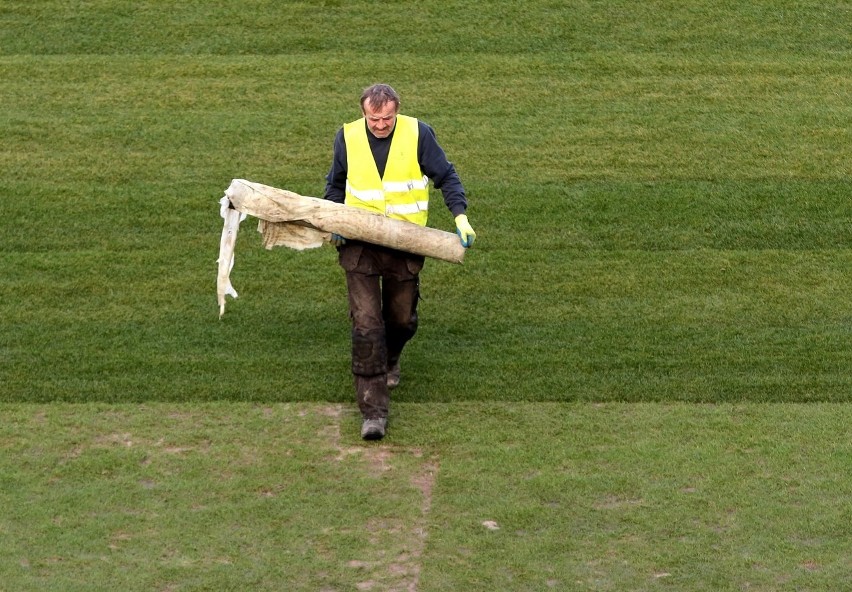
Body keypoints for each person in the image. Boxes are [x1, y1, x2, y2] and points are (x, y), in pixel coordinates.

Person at [324, 83, 476, 440]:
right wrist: (334, 222)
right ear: (363, 113)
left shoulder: (418, 133)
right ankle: (373, 413)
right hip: (359, 245)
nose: (380, 125)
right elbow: (335, 185)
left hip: (404, 244)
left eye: (387, 118)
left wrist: (460, 216)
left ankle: (390, 358)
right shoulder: (345, 137)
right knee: (366, 326)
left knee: (401, 320)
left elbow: (447, 176)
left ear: (398, 111)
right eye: (374, 118)